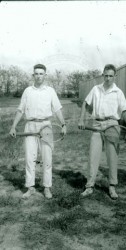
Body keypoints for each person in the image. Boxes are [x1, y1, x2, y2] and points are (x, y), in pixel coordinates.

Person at [10, 64, 66, 199]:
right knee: (30, 158)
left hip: (46, 126)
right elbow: (20, 110)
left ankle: (47, 188)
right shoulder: (27, 91)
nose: (39, 76)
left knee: (47, 158)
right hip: (30, 126)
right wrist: (13, 126)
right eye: (36, 73)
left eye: (41, 73)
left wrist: (63, 124)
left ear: (45, 75)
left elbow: (57, 109)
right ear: (33, 75)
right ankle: (31, 188)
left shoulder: (50, 91)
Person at [78, 64, 126, 199]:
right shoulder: (96, 89)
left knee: (112, 157)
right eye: (106, 75)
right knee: (93, 155)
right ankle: (89, 186)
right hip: (97, 124)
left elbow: (124, 111)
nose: (108, 78)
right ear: (103, 75)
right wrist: (81, 120)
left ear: (115, 76)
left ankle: (112, 187)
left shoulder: (118, 92)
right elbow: (85, 103)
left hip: (112, 124)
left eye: (111, 76)